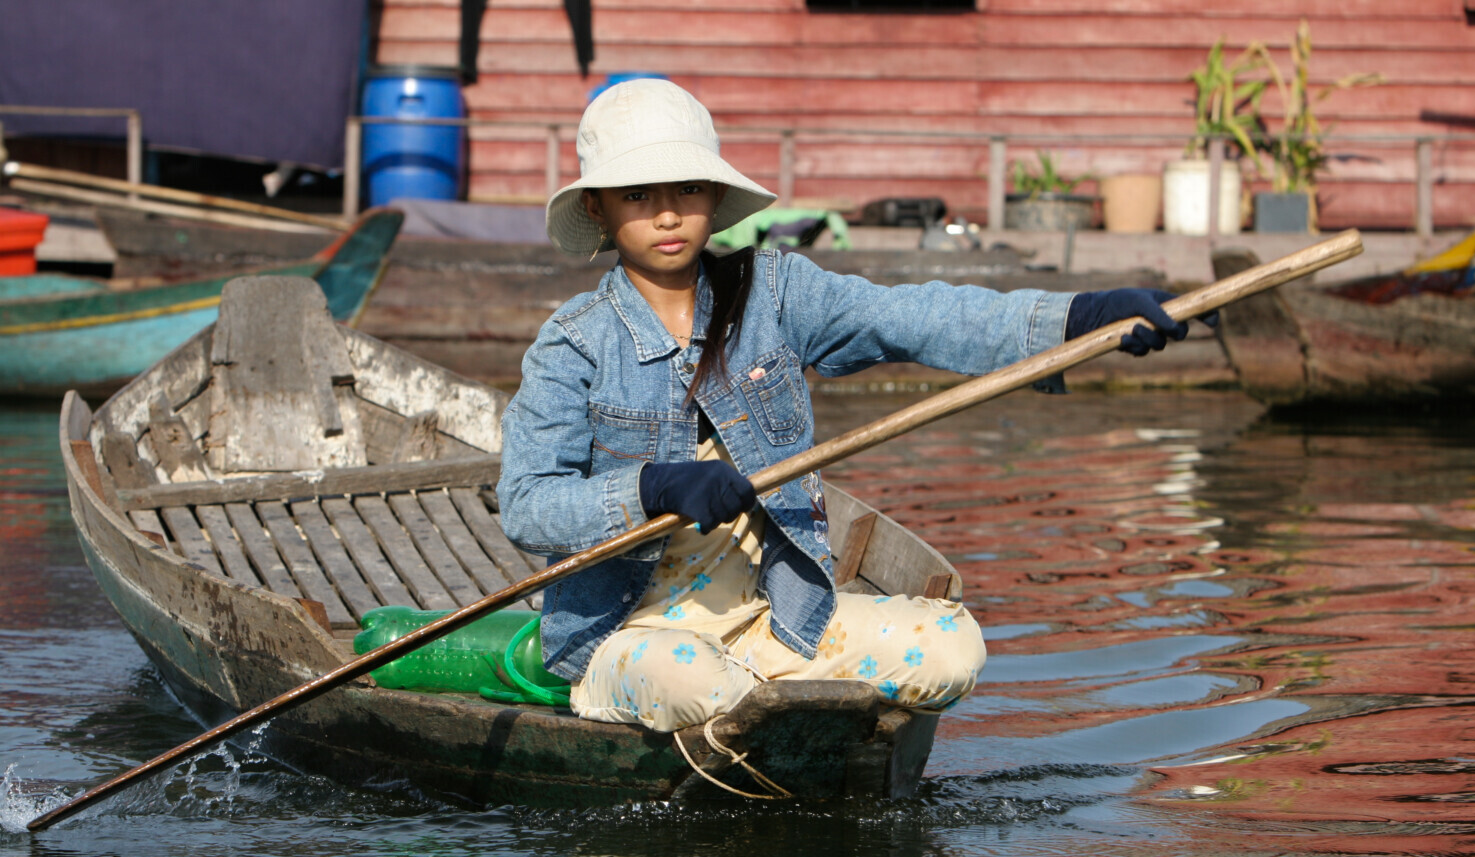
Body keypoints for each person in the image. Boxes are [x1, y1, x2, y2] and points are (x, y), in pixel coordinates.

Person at [498, 79, 1208, 734]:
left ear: (715, 197)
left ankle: (768, 693)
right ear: (597, 207)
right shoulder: (575, 344)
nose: (667, 214)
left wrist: (1078, 318)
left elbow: (916, 317)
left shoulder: (773, 294)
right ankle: (743, 702)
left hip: (772, 621)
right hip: (633, 638)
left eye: (686, 188)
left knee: (952, 646)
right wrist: (650, 487)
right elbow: (528, 506)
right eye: (636, 195)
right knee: (690, 682)